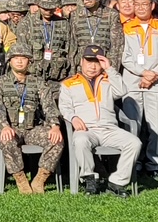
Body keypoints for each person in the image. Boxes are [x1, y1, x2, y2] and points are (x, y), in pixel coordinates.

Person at [59, 46, 140, 195]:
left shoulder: (108, 79)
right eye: (89, 61)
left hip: (109, 129)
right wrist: (73, 117)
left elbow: (122, 91)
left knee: (134, 143)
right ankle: (90, 179)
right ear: (81, 62)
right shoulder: (69, 83)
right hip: (86, 129)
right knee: (80, 141)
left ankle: (116, 182)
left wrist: (109, 69)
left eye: (97, 62)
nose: (93, 66)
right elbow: (64, 107)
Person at [116, 0, 158, 178]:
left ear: (152, 6)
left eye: (145, 4)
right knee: (133, 125)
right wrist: (143, 73)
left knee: (157, 125)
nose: (140, 8)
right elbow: (124, 57)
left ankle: (156, 164)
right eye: (137, 4)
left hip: (156, 83)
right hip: (132, 82)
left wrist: (153, 75)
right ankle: (134, 162)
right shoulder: (125, 28)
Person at [0, 45, 63, 194]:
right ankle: (21, 179)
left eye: (23, 58)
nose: (19, 61)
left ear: (29, 61)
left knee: (56, 140)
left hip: (33, 129)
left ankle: (40, 179)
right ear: (10, 61)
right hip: (12, 128)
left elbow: (49, 106)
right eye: (16, 58)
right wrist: (4, 126)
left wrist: (55, 126)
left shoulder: (38, 82)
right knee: (7, 140)